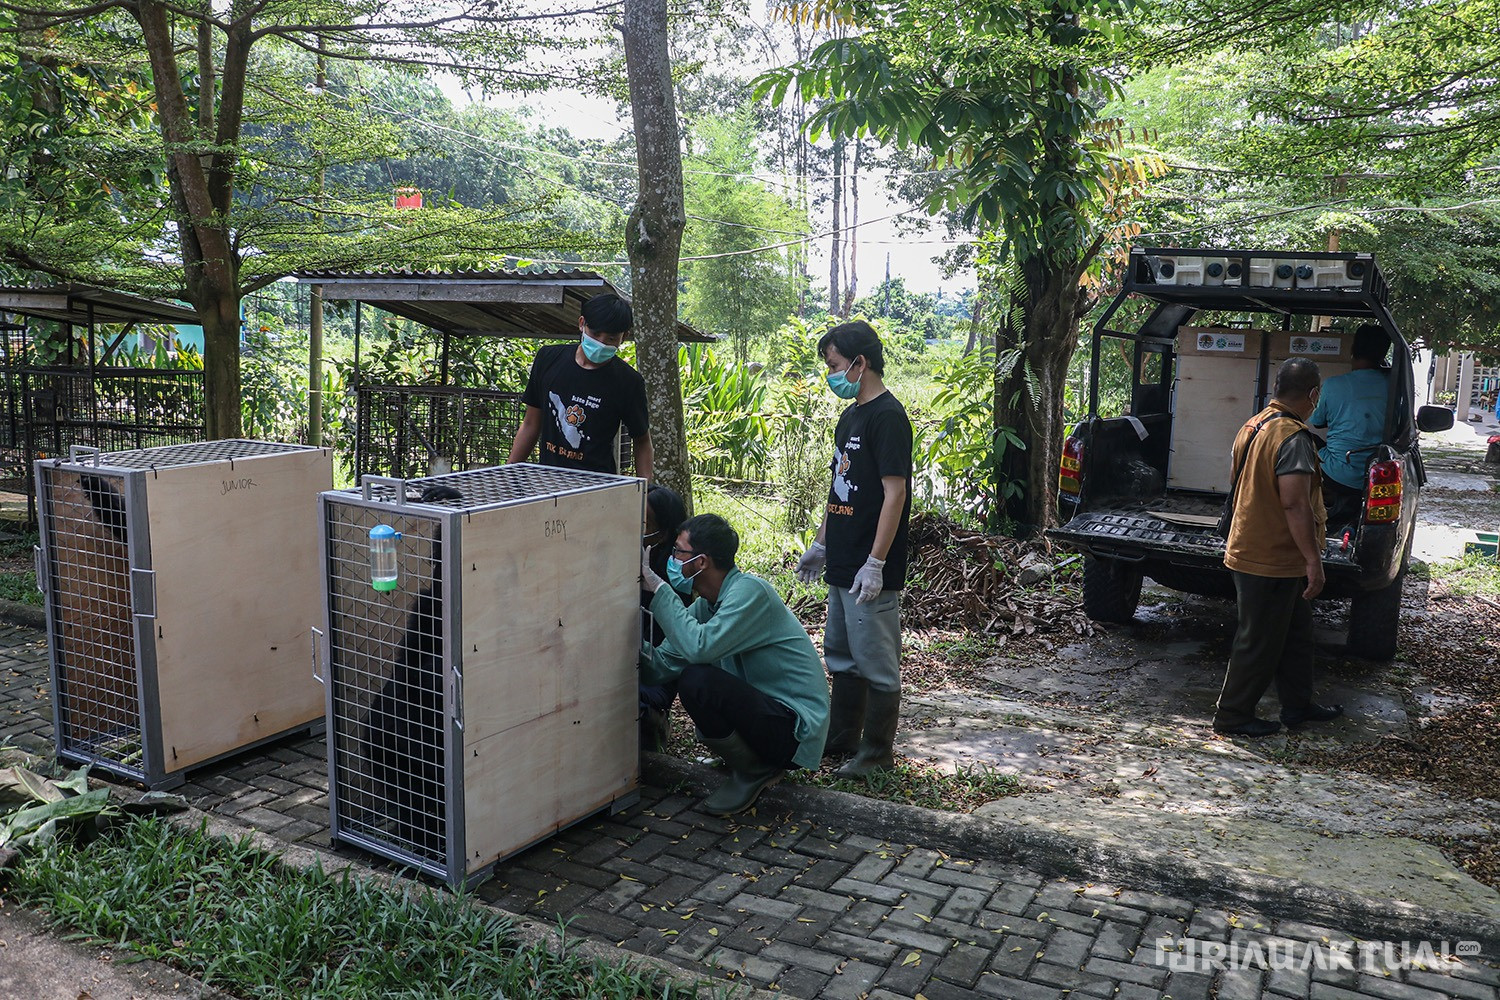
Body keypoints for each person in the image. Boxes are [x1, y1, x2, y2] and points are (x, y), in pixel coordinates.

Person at [639, 513, 830, 815]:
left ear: (701, 562)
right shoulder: (707, 605)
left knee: (697, 679)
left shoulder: (751, 592)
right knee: (693, 675)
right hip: (767, 718)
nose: (671, 558)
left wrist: (660, 590)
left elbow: (699, 648)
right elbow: (660, 666)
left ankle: (754, 770)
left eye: (678, 551)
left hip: (793, 732)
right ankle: (747, 761)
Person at [794, 320, 912, 777]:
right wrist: (821, 544)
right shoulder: (850, 416)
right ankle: (843, 738)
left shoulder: (888, 416)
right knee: (841, 653)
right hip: (841, 559)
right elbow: (839, 486)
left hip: (869, 563)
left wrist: (876, 562)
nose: (831, 374)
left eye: (835, 365)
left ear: (860, 364)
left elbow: (895, 493)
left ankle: (876, 754)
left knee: (876, 661)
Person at [1213, 357, 1344, 737]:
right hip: (1270, 558)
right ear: (1313, 394)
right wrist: (1313, 561)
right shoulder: (1293, 437)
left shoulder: (1253, 425)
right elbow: (1294, 503)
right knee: (1259, 640)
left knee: (1296, 636)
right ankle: (1233, 716)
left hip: (1254, 547)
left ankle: (1298, 706)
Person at [506, 293, 653, 479]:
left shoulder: (629, 382)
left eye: (610, 339)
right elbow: (530, 424)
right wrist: (509, 471)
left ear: (624, 337)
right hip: (547, 481)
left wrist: (645, 493)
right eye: (595, 334)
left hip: (597, 487)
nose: (601, 343)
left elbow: (642, 441)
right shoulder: (548, 359)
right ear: (582, 323)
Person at [1308, 324, 1391, 526]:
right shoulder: (1394, 385)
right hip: (1376, 472)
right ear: (1383, 354)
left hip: (1337, 473)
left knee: (1304, 436)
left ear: (1352, 351)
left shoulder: (1333, 384)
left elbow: (1317, 422)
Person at [639, 484, 687, 752]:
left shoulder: (677, 574)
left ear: (664, 532)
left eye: (645, 524)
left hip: (657, 670)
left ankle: (655, 719)